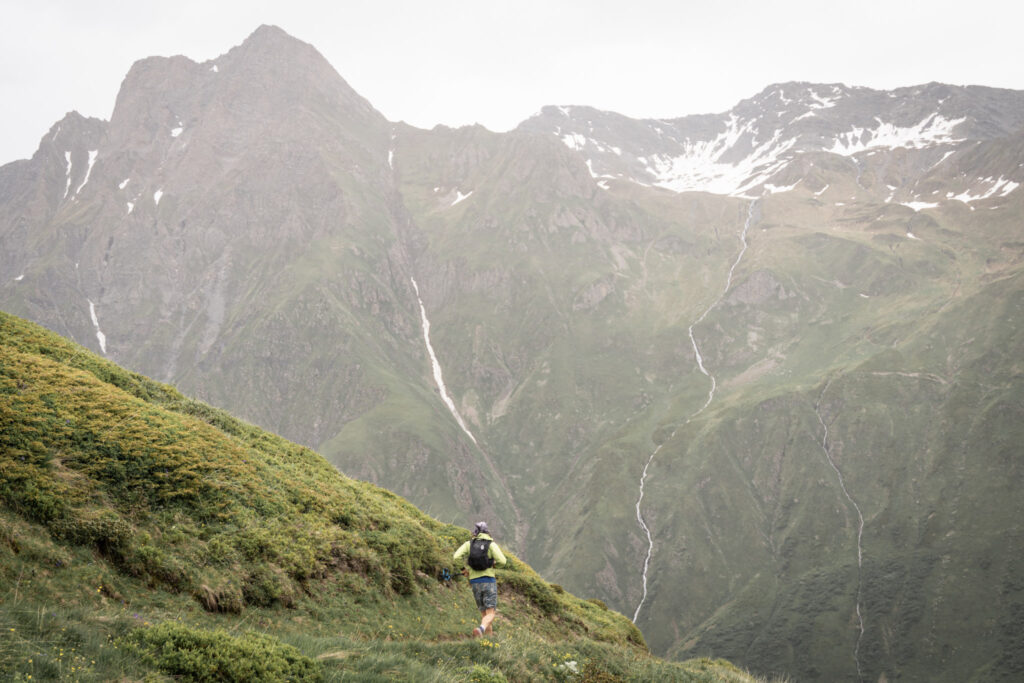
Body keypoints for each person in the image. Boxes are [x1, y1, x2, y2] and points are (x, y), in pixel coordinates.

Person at [453, 521, 507, 637]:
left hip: (474, 582)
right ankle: (481, 628)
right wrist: (494, 564)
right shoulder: (491, 544)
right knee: (491, 613)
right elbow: (503, 561)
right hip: (488, 581)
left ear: (475, 532)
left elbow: (456, 556)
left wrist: (463, 570)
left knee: (484, 615)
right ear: (487, 532)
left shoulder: (469, 544)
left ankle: (488, 641)